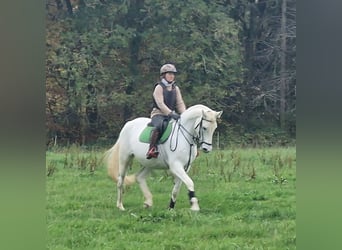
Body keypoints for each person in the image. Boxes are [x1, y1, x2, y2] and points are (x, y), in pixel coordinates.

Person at [146, 63, 186, 159]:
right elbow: (160, 104)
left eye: (173, 74)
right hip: (158, 114)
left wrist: (184, 114)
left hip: (170, 115)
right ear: (164, 75)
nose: (172, 76)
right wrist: (171, 113)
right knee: (159, 126)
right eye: (169, 74)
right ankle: (152, 149)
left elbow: (180, 103)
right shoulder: (159, 87)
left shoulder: (175, 88)